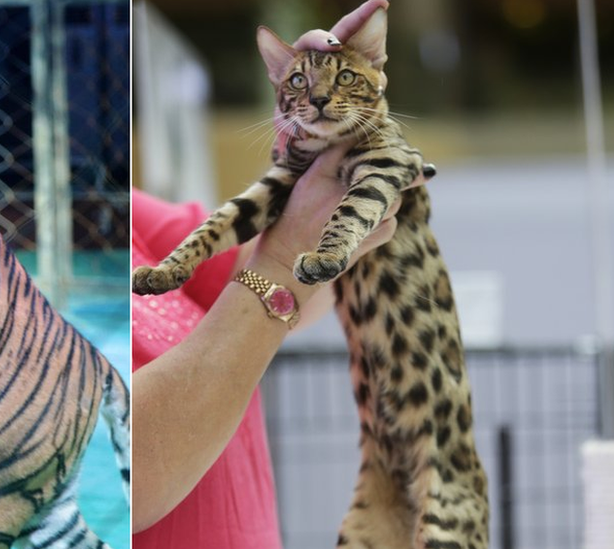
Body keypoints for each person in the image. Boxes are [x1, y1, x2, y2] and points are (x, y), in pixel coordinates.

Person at [131, 1, 428, 547]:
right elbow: (130, 478)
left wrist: (338, 152)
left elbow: (294, 292)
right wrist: (286, 255)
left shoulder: (117, 216)